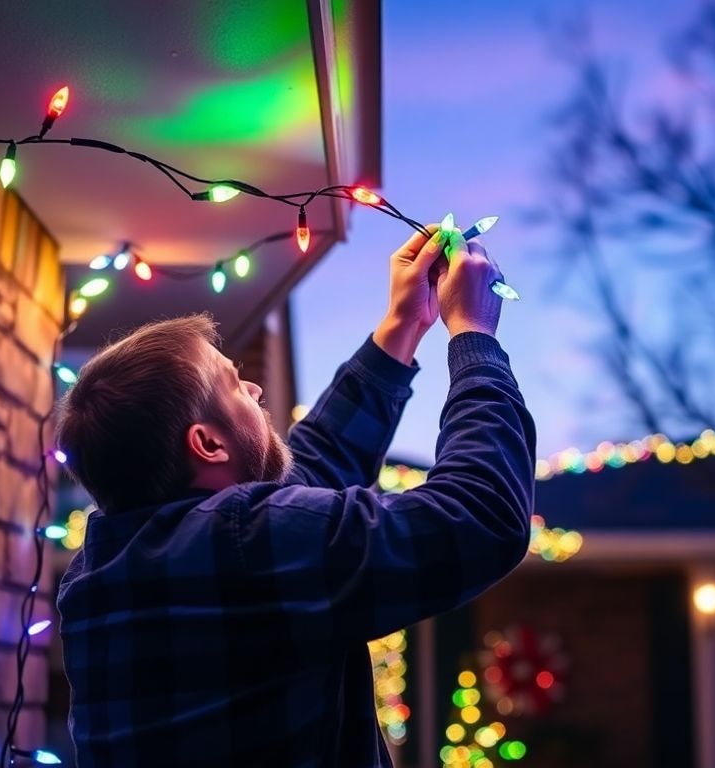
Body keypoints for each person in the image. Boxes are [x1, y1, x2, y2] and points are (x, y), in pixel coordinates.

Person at [54, 225, 535, 767]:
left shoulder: (94, 576)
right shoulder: (247, 544)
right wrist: (473, 337)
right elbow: (480, 515)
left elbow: (312, 468)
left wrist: (402, 325)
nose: (255, 389)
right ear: (208, 443)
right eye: (235, 384)